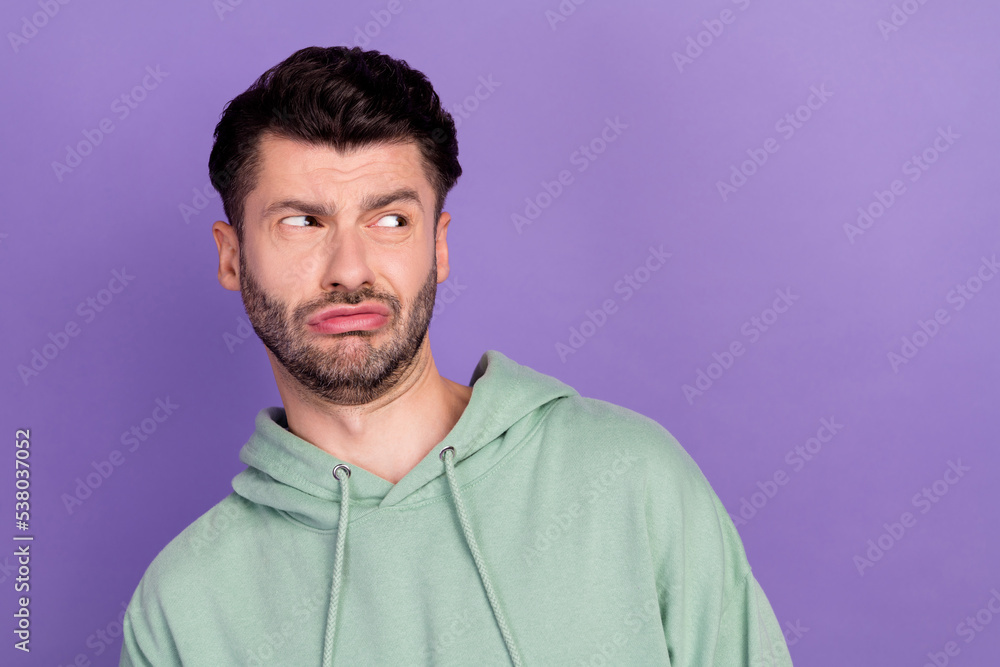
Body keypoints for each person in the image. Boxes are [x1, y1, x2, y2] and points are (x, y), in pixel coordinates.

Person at [120, 45, 793, 666]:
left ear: (438, 246)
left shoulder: (631, 480)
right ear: (232, 257)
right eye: (302, 222)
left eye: (391, 220)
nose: (349, 269)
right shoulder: (183, 605)